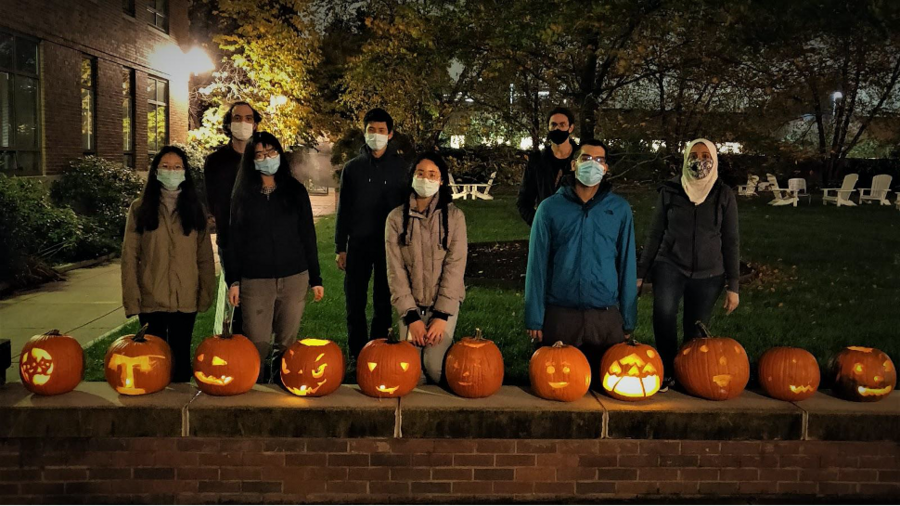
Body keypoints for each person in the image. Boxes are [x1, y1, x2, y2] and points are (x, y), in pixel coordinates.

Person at [524, 139, 637, 379]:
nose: (592, 164)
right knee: (556, 385)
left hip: (604, 317)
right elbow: (537, 266)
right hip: (560, 315)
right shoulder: (549, 208)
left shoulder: (619, 209)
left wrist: (628, 319)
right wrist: (534, 316)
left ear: (606, 169)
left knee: (606, 387)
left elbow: (626, 265)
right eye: (586, 158)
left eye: (599, 160)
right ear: (574, 164)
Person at [637, 138, 740, 391]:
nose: (700, 161)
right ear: (685, 159)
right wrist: (641, 273)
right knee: (664, 315)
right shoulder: (670, 190)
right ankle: (666, 371)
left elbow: (731, 239)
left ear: (714, 160)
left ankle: (689, 373)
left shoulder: (723, 194)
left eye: (706, 156)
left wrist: (733, 285)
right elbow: (655, 233)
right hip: (670, 264)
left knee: (695, 328)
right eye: (694, 155)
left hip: (709, 272)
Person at [226, 132, 324, 382]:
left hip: (294, 277)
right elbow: (234, 241)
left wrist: (316, 278)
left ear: (280, 154)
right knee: (256, 345)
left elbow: (307, 236)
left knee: (287, 344)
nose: (266, 159)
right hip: (256, 281)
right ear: (251, 161)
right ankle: (256, 388)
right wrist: (234, 280)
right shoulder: (243, 195)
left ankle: (282, 385)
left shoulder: (295, 191)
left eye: (270, 153)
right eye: (259, 155)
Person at [122, 146, 216, 382]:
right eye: (165, 166)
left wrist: (205, 294)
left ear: (184, 172)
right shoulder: (139, 209)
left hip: (185, 299)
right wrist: (132, 299)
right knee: (152, 365)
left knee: (180, 364)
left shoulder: (195, 210)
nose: (171, 171)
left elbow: (204, 257)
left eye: (177, 167)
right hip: (151, 298)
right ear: (155, 171)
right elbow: (130, 256)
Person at [385, 152, 467, 384]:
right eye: (420, 173)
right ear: (412, 177)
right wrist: (412, 318)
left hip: (442, 305)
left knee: (435, 367)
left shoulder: (454, 218)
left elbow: (455, 266)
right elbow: (396, 271)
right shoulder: (395, 219)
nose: (426, 178)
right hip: (410, 307)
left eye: (432, 174)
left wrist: (441, 316)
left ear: (441, 180)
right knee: (410, 372)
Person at [335, 108, 409, 360]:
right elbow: (343, 208)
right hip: (358, 243)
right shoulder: (352, 169)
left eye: (381, 130)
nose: (376, 135)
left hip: (389, 245)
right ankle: (357, 353)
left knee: (382, 301)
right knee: (354, 301)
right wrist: (340, 247)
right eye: (371, 130)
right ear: (364, 132)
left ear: (390, 134)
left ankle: (378, 350)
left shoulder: (401, 168)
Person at [202, 101, 262, 334]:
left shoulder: (262, 157)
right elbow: (213, 202)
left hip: (260, 240)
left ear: (255, 124)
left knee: (258, 304)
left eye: (248, 118)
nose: (243, 123)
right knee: (234, 300)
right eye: (237, 118)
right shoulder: (216, 162)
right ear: (229, 123)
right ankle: (234, 354)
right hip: (230, 240)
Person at [517, 107, 578, 226]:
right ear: (548, 128)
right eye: (553, 124)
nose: (557, 128)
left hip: (575, 227)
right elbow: (524, 200)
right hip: (546, 229)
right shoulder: (537, 160)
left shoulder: (581, 158)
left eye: (562, 124)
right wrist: (538, 223)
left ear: (570, 128)